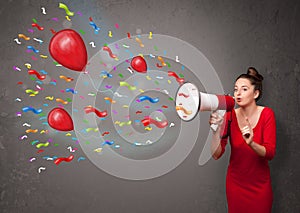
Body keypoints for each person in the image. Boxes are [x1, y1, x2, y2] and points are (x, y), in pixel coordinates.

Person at [209, 67, 276, 213]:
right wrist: (216, 130)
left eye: (244, 89)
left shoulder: (267, 114)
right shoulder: (229, 115)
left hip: (260, 186)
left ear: (256, 93)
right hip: (235, 185)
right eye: (235, 89)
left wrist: (251, 143)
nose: (238, 93)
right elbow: (216, 154)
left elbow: (270, 153)